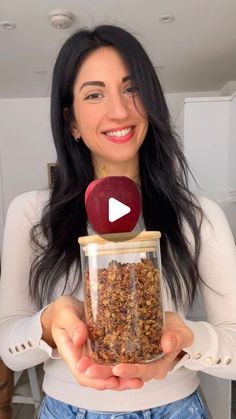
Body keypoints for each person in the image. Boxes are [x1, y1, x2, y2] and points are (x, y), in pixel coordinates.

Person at [0, 24, 236, 419]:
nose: (120, 110)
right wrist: (49, 323)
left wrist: (184, 338)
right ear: (71, 120)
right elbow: (9, 345)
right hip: (67, 410)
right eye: (94, 94)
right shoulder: (31, 214)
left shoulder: (199, 215)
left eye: (132, 88)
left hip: (174, 409)